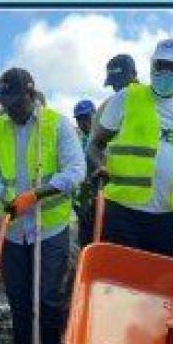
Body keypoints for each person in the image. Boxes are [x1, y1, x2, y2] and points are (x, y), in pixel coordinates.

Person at [0, 68, 86, 344]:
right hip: (14, 230)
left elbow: (76, 171)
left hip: (49, 229)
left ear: (30, 95)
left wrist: (37, 195)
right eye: (4, 102)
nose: (8, 109)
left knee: (49, 298)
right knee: (17, 296)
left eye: (13, 102)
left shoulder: (56, 125)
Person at [88, 39, 173, 257]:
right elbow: (95, 145)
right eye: (160, 65)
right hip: (122, 212)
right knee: (120, 281)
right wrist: (100, 166)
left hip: (167, 217)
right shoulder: (125, 98)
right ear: (152, 64)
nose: (165, 71)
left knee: (154, 285)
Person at [91, 54, 139, 139]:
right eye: (114, 84)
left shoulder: (158, 101)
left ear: (134, 74)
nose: (120, 91)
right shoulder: (103, 110)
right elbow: (94, 147)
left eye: (122, 83)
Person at [73, 99, 97, 245]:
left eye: (86, 118)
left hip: (100, 198)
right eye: (79, 119)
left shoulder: (104, 139)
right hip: (82, 202)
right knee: (85, 239)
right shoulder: (76, 141)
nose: (83, 123)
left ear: (95, 115)